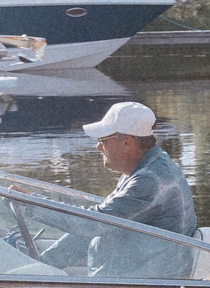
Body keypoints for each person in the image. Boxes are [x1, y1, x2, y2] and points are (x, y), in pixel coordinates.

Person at [77, 99, 197, 276]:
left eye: (103, 140)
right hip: (135, 275)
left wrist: (34, 208)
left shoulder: (150, 180)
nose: (98, 147)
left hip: (149, 285)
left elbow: (94, 224)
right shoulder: (142, 169)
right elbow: (96, 220)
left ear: (127, 142)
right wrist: (46, 258)